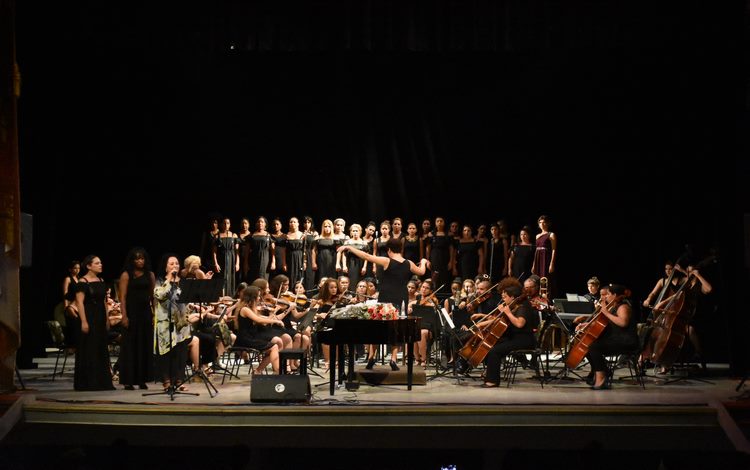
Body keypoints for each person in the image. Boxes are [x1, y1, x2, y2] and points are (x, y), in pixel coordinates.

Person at [338, 237, 429, 370]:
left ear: (389, 250)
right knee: (395, 328)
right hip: (400, 299)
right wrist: (424, 261)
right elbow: (422, 272)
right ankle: (392, 360)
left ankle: (371, 357)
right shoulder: (408, 263)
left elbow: (366, 256)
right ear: (401, 249)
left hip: (386, 297)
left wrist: (349, 248)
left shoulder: (387, 261)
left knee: (378, 327)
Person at [475, 279, 538, 388]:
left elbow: (519, 324)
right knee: (492, 346)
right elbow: (502, 321)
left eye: (505, 297)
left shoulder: (523, 307)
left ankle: (493, 381)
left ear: (512, 297)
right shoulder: (517, 305)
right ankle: (489, 375)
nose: (503, 299)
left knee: (495, 351)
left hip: (524, 340)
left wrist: (507, 312)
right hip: (515, 338)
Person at [581, 284, 639, 389]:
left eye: (608, 294)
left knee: (594, 347)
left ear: (615, 295)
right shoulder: (614, 306)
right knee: (588, 344)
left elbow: (623, 323)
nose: (606, 296)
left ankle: (601, 379)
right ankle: (604, 371)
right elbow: (606, 324)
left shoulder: (623, 307)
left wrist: (606, 313)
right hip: (616, 339)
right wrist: (587, 325)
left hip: (626, 341)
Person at [73, 255, 115, 391]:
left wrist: (107, 319)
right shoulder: (82, 282)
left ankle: (102, 382)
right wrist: (84, 321)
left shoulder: (101, 280)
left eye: (101, 262)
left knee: (100, 348)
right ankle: (88, 382)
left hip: (100, 317)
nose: (100, 265)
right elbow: (79, 303)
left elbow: (103, 302)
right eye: (97, 263)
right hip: (89, 316)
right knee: (89, 349)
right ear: (89, 266)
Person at [153, 253, 194, 392]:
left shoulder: (182, 281)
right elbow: (160, 295)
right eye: (171, 264)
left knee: (180, 352)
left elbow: (186, 298)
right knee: (166, 353)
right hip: (165, 323)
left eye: (176, 263)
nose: (175, 265)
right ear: (165, 267)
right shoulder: (160, 281)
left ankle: (178, 380)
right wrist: (169, 279)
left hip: (181, 323)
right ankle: (166, 381)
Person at [117, 247, 156, 390]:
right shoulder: (126, 275)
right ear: (132, 260)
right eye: (137, 258)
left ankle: (142, 379)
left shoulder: (150, 274)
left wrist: (154, 315)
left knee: (144, 346)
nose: (140, 261)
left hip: (145, 314)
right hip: (132, 314)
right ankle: (128, 380)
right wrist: (124, 316)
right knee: (130, 347)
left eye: (142, 258)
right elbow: (123, 297)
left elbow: (153, 297)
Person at [212, 217, 239, 296]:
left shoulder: (234, 235)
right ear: (221, 224)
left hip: (231, 258)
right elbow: (214, 252)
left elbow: (237, 251)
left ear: (230, 225)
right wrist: (215, 263)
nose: (226, 225)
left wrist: (237, 263)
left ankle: (230, 297)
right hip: (221, 259)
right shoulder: (217, 236)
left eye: (227, 223)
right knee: (221, 278)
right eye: (224, 223)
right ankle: (221, 298)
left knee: (230, 278)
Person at [531, 215, 557, 297]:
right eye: (540, 222)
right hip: (538, 258)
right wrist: (533, 264)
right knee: (537, 279)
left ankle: (547, 299)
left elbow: (554, 250)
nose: (542, 224)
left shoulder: (551, 234)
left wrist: (552, 264)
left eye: (544, 222)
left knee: (545, 279)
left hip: (546, 258)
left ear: (548, 223)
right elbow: (536, 250)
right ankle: (538, 299)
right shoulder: (537, 236)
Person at [62, 260, 81, 349]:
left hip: (78, 305)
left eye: (78, 268)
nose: (77, 270)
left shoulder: (80, 279)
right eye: (75, 268)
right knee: (73, 325)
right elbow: (65, 293)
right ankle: (71, 347)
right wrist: (66, 307)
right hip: (70, 305)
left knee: (79, 325)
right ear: (70, 269)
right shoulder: (68, 279)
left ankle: (78, 346)